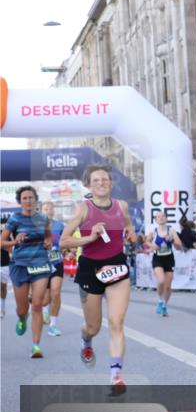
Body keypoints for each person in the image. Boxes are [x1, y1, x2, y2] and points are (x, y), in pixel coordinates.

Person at [60, 165, 139, 395]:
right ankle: (86, 341)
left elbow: (128, 224)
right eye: (96, 180)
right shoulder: (82, 210)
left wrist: (131, 233)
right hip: (90, 269)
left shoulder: (121, 206)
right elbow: (64, 242)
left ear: (111, 183)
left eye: (105, 179)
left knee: (116, 322)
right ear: (89, 185)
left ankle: (116, 376)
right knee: (93, 327)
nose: (102, 183)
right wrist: (90, 236)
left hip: (116, 266)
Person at [1, 186, 52, 358]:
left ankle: (36, 346)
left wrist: (47, 242)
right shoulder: (14, 219)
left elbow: (48, 237)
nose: (28, 200)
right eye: (24, 198)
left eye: (31, 197)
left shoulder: (43, 218)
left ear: (36, 200)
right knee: (22, 308)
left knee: (37, 304)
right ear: (20, 201)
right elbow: (2, 243)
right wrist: (15, 241)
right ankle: (22, 318)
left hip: (40, 264)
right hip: (20, 265)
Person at [147, 211, 182, 316]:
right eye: (158, 217)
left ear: (166, 218)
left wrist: (171, 240)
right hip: (158, 258)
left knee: (167, 286)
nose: (161, 218)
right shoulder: (154, 232)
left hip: (169, 259)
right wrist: (152, 246)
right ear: (156, 220)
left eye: (163, 216)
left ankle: (164, 305)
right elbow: (146, 241)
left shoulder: (171, 230)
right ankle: (159, 299)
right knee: (161, 280)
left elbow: (179, 246)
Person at [39, 202, 66, 336]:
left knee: (55, 293)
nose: (48, 211)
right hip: (42, 264)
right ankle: (44, 312)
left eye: (50, 208)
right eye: (46, 209)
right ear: (41, 211)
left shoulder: (60, 225)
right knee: (45, 299)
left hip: (57, 263)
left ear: (53, 211)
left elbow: (65, 241)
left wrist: (68, 250)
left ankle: (53, 325)